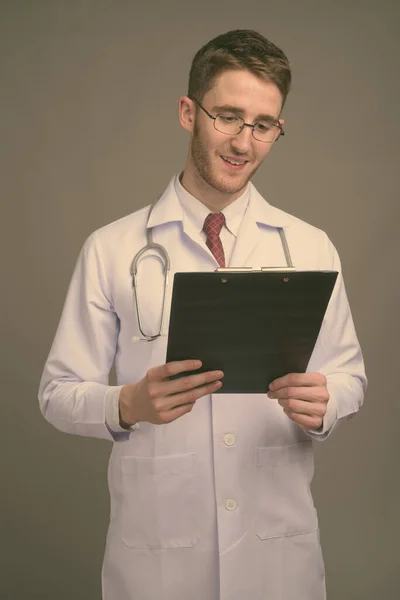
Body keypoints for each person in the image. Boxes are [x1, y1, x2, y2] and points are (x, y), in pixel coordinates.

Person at [38, 29, 366, 600]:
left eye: (264, 125)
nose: (244, 142)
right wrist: (126, 403)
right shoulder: (111, 248)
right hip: (159, 562)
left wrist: (326, 401)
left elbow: (350, 377)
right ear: (189, 112)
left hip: (276, 559)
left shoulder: (311, 248)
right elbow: (57, 392)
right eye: (228, 117)